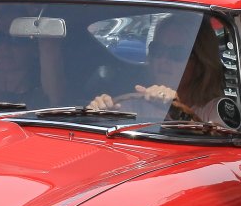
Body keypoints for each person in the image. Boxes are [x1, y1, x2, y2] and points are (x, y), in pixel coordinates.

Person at [90, 15, 226, 124]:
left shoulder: (214, 110)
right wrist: (98, 114)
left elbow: (217, 143)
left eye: (177, 53)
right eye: (157, 49)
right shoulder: (136, 102)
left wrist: (176, 110)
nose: (163, 59)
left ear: (201, 63)